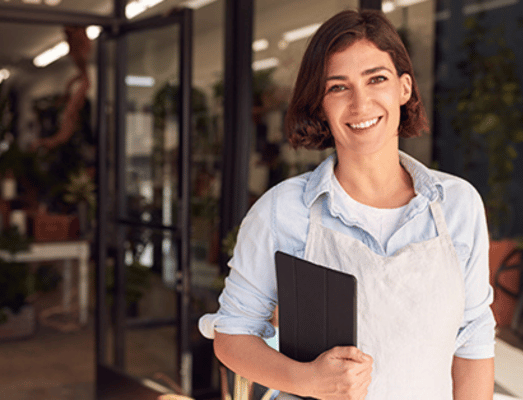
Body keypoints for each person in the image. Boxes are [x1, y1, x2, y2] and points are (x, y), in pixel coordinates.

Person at [199, 9, 495, 400]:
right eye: (338, 87)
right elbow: (232, 335)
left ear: (404, 88)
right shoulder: (282, 212)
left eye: (377, 79)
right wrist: (305, 380)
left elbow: (473, 342)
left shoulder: (458, 205)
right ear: (320, 104)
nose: (361, 103)